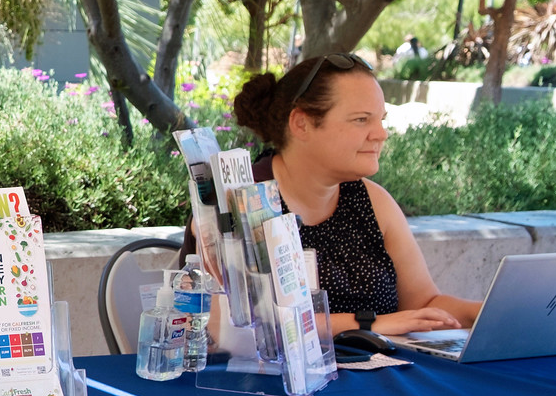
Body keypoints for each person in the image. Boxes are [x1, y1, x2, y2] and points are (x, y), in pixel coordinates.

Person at [205, 53, 481, 337]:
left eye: (381, 120)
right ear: (301, 123)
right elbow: (226, 325)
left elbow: (423, 304)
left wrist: (483, 312)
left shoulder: (374, 202)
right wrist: (365, 325)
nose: (381, 134)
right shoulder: (241, 201)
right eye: (361, 120)